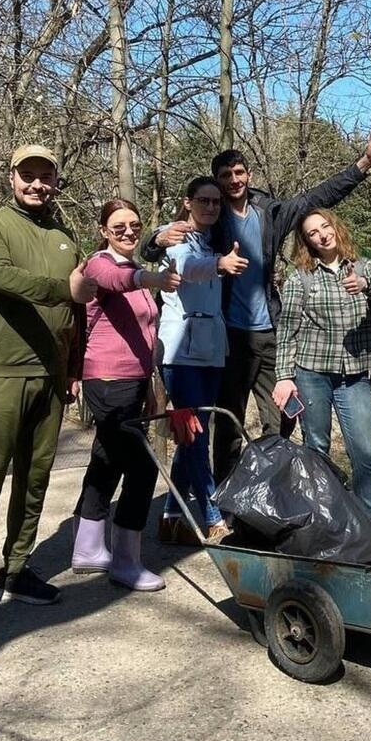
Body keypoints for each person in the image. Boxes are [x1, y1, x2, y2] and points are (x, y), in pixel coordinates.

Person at [142, 139, 371, 484]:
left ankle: (270, 491)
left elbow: (317, 197)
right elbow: (162, 242)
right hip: (227, 335)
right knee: (229, 420)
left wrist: (363, 164)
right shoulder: (213, 216)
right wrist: (156, 240)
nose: (233, 180)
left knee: (283, 416)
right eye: (225, 175)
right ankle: (227, 497)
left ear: (249, 174)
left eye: (239, 172)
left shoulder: (269, 212)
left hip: (267, 330)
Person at [0, 145, 98, 641]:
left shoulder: (63, 236)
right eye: (27, 175)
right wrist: (63, 291)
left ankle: (16, 569)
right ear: (12, 177)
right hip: (0, 374)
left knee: (35, 482)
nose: (36, 184)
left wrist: (73, 368)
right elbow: (2, 278)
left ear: (55, 180)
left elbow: (77, 314)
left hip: (51, 377)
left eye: (44, 176)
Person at [71, 199, 181, 590]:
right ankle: (125, 560)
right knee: (141, 464)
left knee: (105, 459)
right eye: (118, 226)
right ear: (104, 230)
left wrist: (153, 385)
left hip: (133, 381)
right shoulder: (99, 263)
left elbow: (144, 334)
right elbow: (117, 281)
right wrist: (155, 280)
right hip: (106, 379)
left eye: (134, 225)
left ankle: (87, 548)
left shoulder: (134, 268)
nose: (129, 231)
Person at [271, 209, 371, 515]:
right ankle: (322, 516)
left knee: (366, 452)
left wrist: (366, 285)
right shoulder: (301, 277)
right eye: (313, 233)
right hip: (312, 374)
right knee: (316, 448)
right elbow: (288, 330)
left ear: (335, 227)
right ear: (307, 242)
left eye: (325, 227)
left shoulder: (365, 267)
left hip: (354, 375)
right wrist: (284, 376)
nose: (322, 234)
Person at [157, 176, 247, 544]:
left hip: (212, 348)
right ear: (187, 201)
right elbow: (186, 268)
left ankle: (171, 514)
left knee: (192, 434)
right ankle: (211, 514)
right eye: (203, 200)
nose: (210, 207)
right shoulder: (174, 235)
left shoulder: (215, 239)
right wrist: (220, 264)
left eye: (215, 202)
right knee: (195, 433)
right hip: (180, 348)